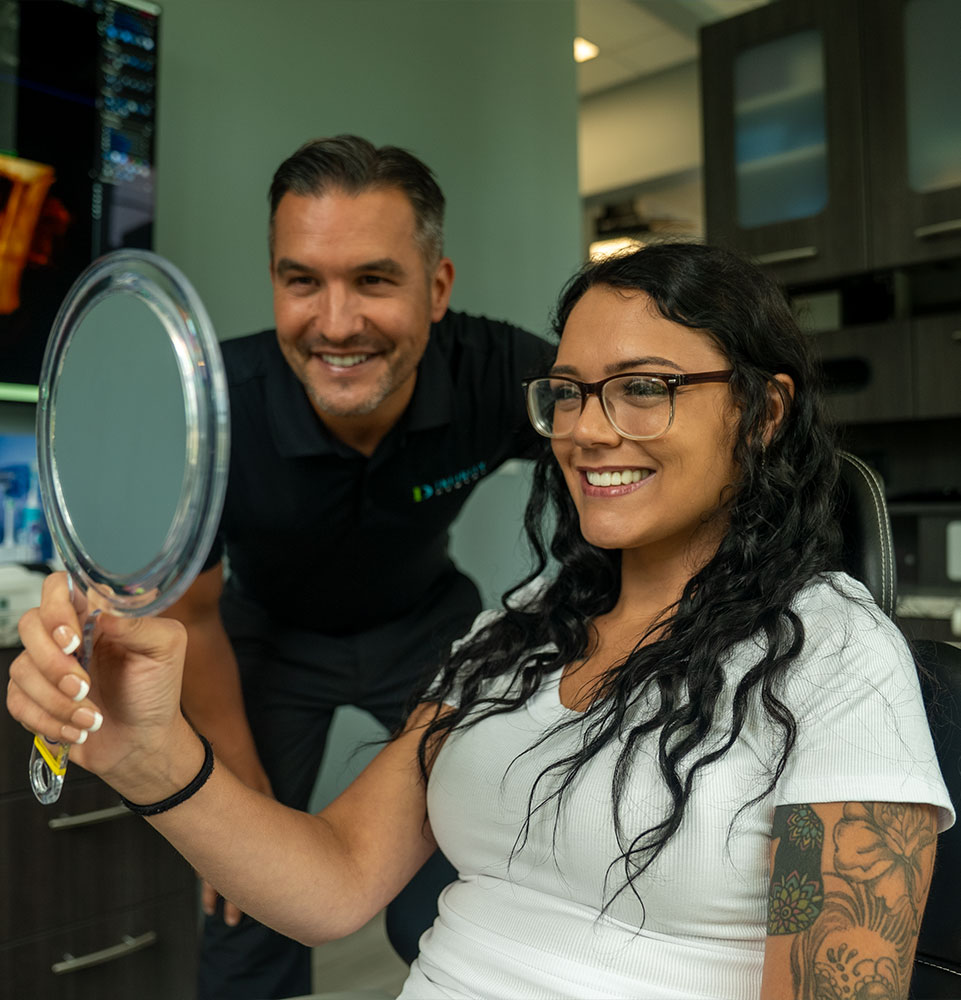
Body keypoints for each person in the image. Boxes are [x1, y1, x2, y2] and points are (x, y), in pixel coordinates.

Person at [8, 242, 952, 1000]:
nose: (586, 429)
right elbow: (333, 880)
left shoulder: (834, 662)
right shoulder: (518, 632)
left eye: (642, 388)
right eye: (571, 392)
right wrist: (148, 754)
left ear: (761, 412)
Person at [160, 136, 550, 997]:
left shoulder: (501, 373)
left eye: (373, 280)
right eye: (303, 281)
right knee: (248, 899)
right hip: (260, 640)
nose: (336, 324)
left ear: (436, 287)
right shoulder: (215, 408)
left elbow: (617, 446)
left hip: (426, 632)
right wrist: (244, 799)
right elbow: (189, 612)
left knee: (472, 871)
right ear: (275, 283)